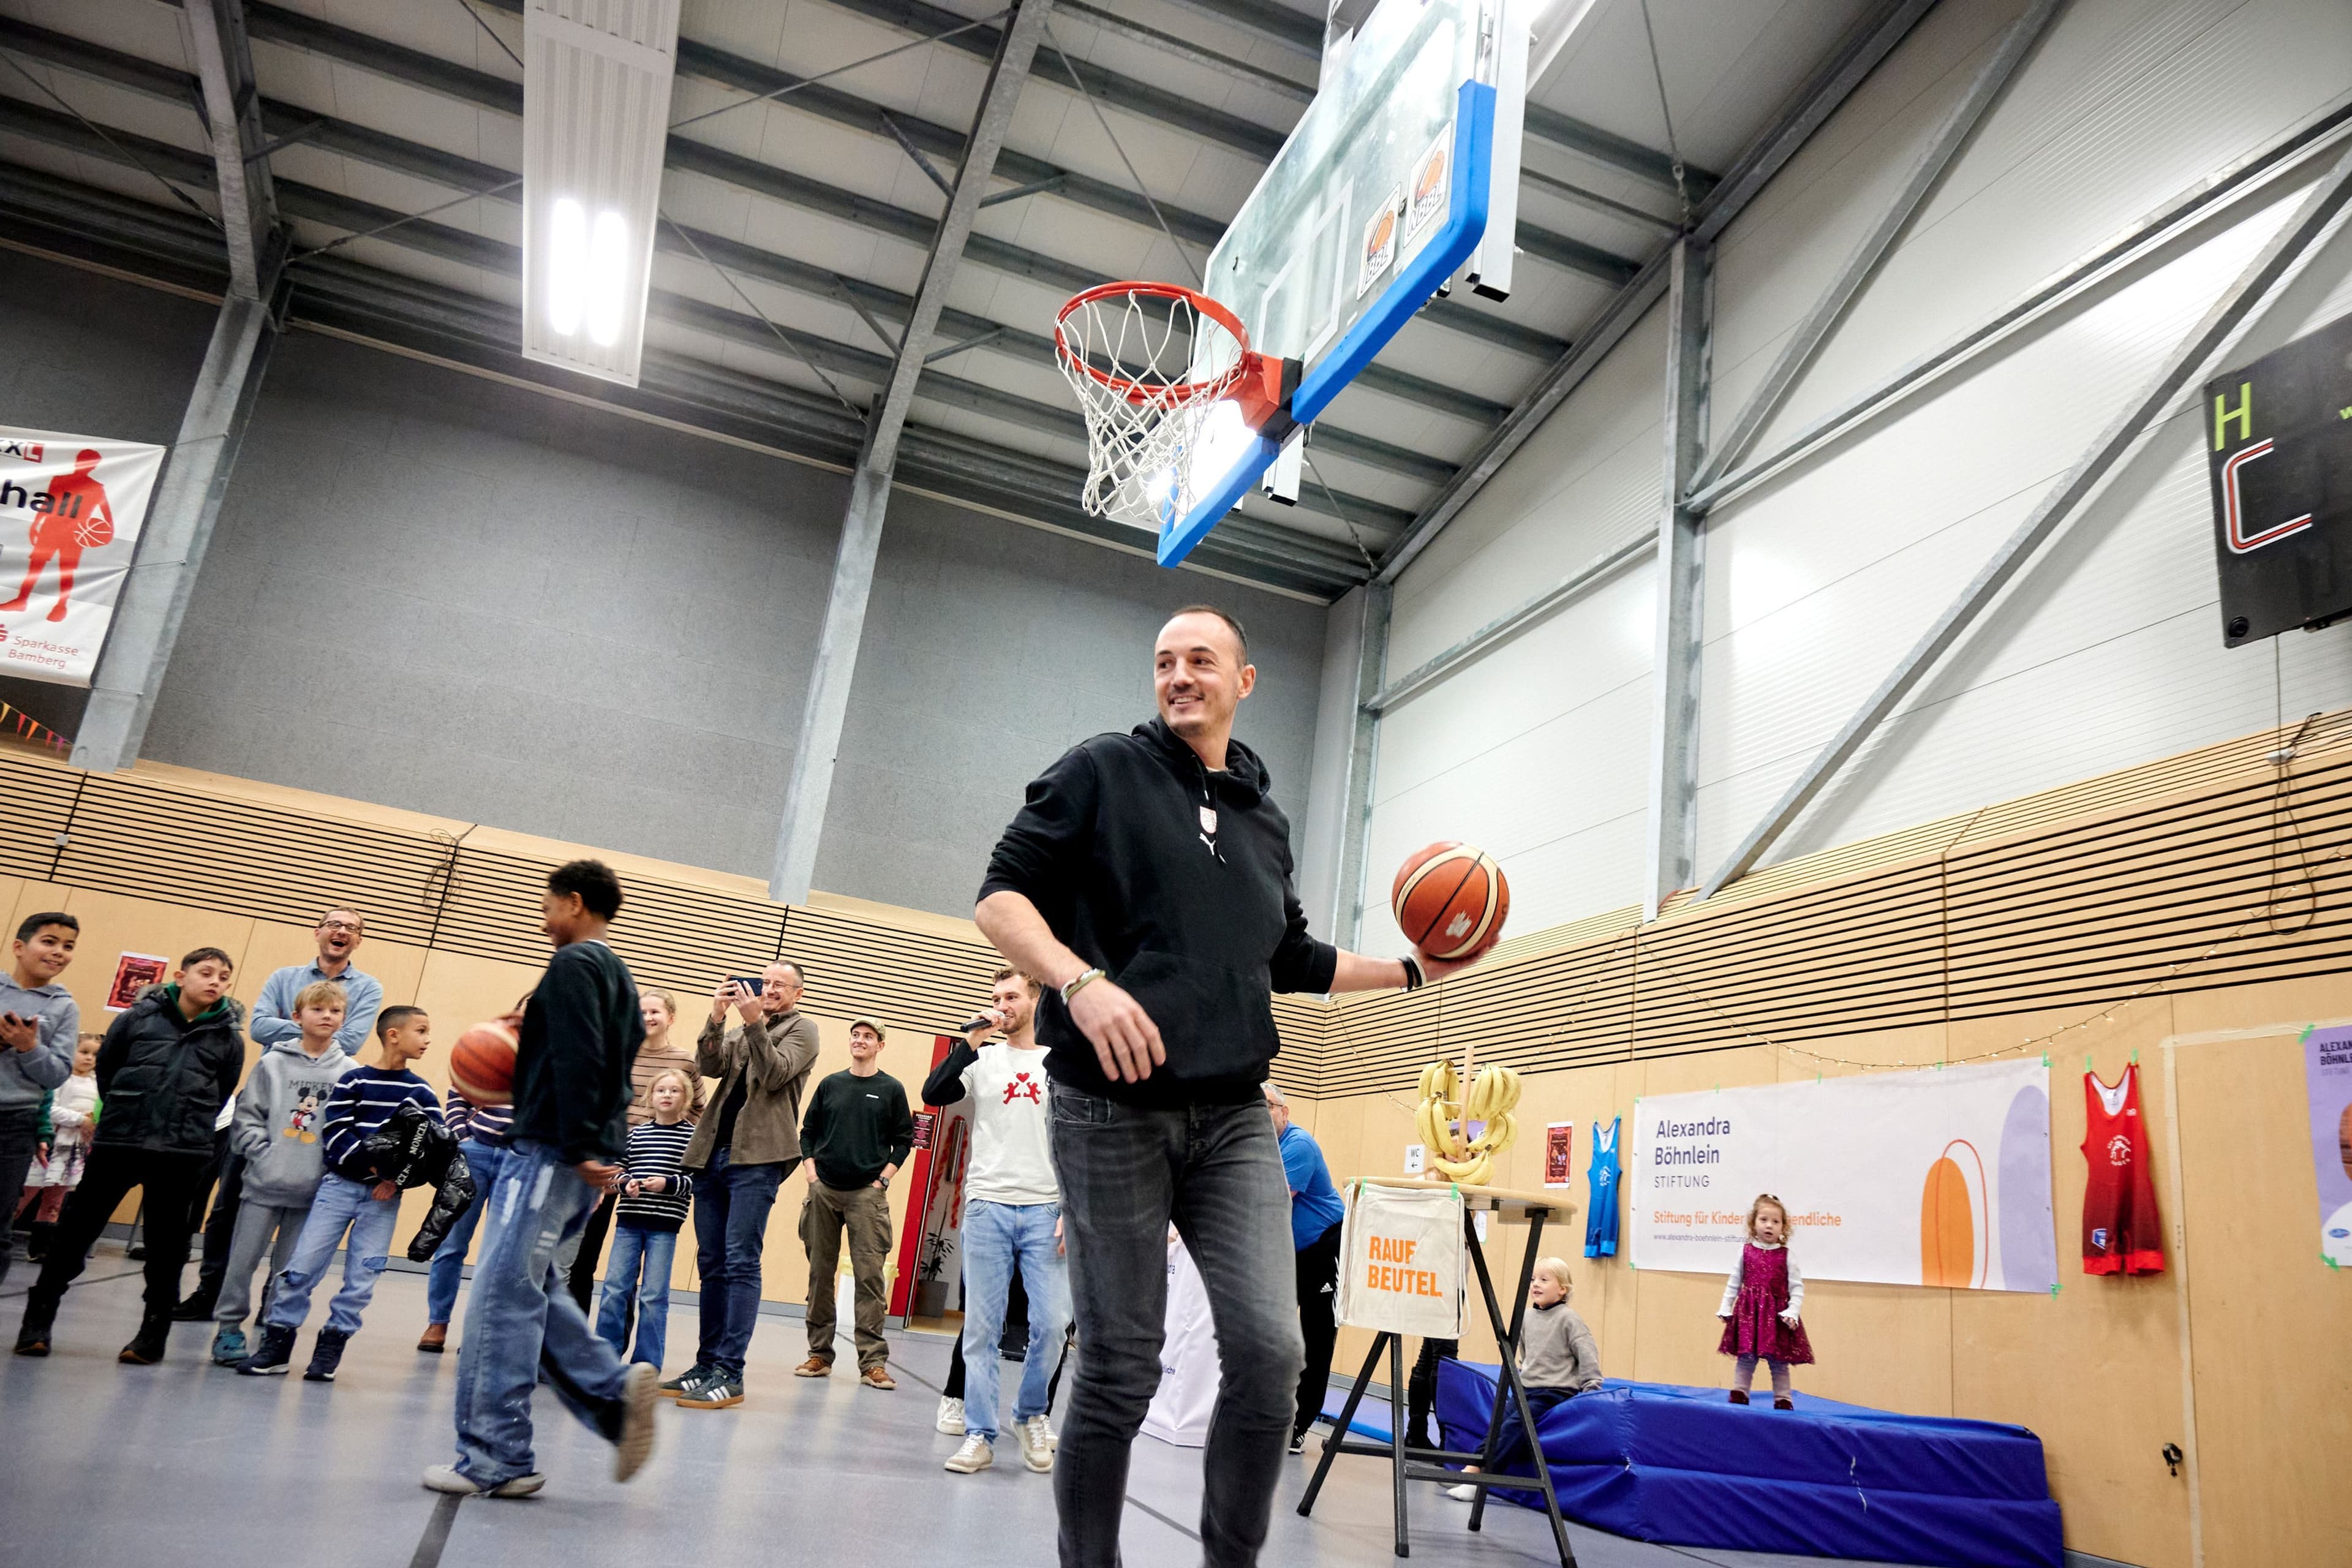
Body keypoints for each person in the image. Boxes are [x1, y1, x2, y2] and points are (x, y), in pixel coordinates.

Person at [975, 605, 1487, 1567]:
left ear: (1243, 681)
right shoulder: (1100, 771)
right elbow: (1000, 898)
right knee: (1121, 1366)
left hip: (1234, 1118)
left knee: (1271, 1354)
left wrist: (1414, 971)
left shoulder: (1263, 819)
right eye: (1165, 661)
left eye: (1201, 660)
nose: (1180, 675)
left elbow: (1290, 957)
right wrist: (1078, 983)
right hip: (1109, 1110)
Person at [427, 858, 657, 1498]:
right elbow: (610, 1065)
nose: (543, 918)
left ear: (575, 902)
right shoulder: (619, 975)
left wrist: (579, 1144)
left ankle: (494, 1458)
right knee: (533, 1288)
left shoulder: (575, 964)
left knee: (501, 1298)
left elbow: (581, 1059)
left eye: (548, 906)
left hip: (552, 1152)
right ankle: (614, 1395)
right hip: (574, 1154)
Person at [14, 947, 242, 1363]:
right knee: (74, 1235)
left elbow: (222, 1091)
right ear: (180, 976)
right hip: (120, 1143)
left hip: (180, 1153)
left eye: (224, 977)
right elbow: (108, 1071)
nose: (216, 982)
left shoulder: (228, 1037)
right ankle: (37, 1322)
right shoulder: (136, 1019)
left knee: (166, 1249)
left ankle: (152, 1334)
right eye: (207, 973)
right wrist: (128, 1109)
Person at [178, 909, 380, 1322]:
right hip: (268, 1102)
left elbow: (352, 1040)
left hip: (320, 1107)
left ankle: (275, 1307)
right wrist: (308, 1032)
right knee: (227, 1207)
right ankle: (209, 1293)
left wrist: (299, 1026)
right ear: (318, 932)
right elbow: (258, 1028)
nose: (342, 932)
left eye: (352, 928)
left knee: (300, 1227)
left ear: (359, 941)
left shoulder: (368, 988)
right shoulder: (283, 977)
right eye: (334, 925)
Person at [239, 1005, 437, 1381]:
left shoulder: (421, 1092)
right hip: (338, 1190)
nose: (428, 1040)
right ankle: (277, 1347)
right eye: (422, 1031)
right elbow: (336, 1133)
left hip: (384, 1199)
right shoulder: (353, 1081)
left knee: (363, 1276)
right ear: (393, 1035)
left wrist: (397, 1180)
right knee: (301, 1269)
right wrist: (376, 1167)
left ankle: (331, 1347)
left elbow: (430, 1145)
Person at [925, 968, 1069, 1475]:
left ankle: (1030, 1414)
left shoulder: (1061, 1061)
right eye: (995, 997)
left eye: (1011, 996)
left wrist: (1073, 1207)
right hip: (988, 1205)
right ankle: (979, 1434)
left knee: (1052, 1325)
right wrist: (970, 1040)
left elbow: (1083, 1139)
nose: (1001, 1005)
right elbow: (934, 1093)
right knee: (982, 1330)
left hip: (1047, 1209)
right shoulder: (982, 1059)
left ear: (1036, 1000)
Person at [663, 962, 821, 1411]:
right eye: (764, 983)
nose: (768, 990)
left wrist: (753, 1023)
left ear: (798, 993)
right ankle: (707, 1364)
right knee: (712, 1263)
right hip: (712, 1153)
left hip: (758, 1158)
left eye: (779, 985)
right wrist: (717, 1017)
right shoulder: (739, 1029)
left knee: (740, 1261)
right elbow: (709, 1065)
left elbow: (775, 1075)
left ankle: (730, 1373)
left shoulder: (803, 1030)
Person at [209, 982, 356, 1366]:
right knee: (242, 1262)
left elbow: (348, 1129)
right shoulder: (272, 1063)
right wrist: (263, 1155)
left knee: (290, 1270)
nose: (327, 1017)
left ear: (344, 1019)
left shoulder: (350, 1072)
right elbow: (248, 1117)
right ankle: (228, 1328)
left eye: (335, 1011)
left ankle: (274, 1331)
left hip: (314, 1192)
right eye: (318, 1009)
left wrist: (331, 1169)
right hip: (264, 1184)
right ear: (297, 1017)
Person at [567, 987, 704, 1314]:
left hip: (653, 1165)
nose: (647, 1018)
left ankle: (618, 1339)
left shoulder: (684, 1061)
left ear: (671, 1018)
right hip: (609, 1161)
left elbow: (699, 1111)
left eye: (655, 1012)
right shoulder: (617, 1054)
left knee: (632, 1261)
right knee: (585, 1251)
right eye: (641, 1012)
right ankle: (574, 1332)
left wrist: (668, 1141)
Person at [795, 1020, 911, 1391]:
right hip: (824, 1191)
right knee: (820, 1275)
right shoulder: (831, 1084)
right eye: (856, 1035)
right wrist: (811, 1173)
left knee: (870, 1279)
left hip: (867, 1196)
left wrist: (883, 1181)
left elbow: (904, 1141)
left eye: (868, 1037)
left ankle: (873, 1363)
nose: (860, 1041)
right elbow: (808, 1132)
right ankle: (819, 1355)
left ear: (880, 1045)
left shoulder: (891, 1089)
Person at [1441, 1257, 1601, 1500]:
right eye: (1533, 1279)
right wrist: (1523, 1375)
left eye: (1544, 1280)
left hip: (1554, 1391)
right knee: (1497, 1424)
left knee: (1513, 1428)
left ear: (1562, 1289)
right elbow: (1526, 1354)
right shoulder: (1527, 1317)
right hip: (1527, 1387)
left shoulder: (1569, 1319)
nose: (1535, 1284)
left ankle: (1476, 1476)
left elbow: (1586, 1352)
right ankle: (1470, 1470)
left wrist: (1591, 1386)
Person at [594, 1067, 696, 1369]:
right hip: (629, 1222)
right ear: (650, 1097)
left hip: (664, 1227)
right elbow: (617, 1171)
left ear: (686, 1098)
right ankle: (604, 1358)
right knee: (615, 1290)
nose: (667, 1095)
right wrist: (626, 1184)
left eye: (675, 1090)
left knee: (654, 1296)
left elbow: (696, 1180)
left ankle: (647, 1364)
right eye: (661, 1090)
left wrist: (668, 1184)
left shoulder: (692, 1137)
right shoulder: (638, 1133)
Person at [1265, 1082, 1345, 1454]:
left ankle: (1300, 1424)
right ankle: (1270, 1413)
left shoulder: (1299, 1144)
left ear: (1284, 1111)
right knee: (1273, 1333)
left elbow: (1273, 1199)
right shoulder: (1259, 1146)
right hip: (1288, 1251)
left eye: (1268, 1106)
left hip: (1323, 1247)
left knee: (1316, 1336)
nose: (1261, 1113)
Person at [0, 911, 78, 1288]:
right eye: (49, 941)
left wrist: (28, 1047)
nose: (59, 951)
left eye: (68, 946)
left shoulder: (64, 1007)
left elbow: (57, 1074)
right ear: (19, 947)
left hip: (15, 1124)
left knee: (0, 1222)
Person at [418, 1078, 515, 1353]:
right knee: (452, 1243)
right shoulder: (486, 1049)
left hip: (517, 1159)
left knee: (500, 1252)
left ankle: (479, 1331)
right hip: (474, 1154)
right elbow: (459, 1090)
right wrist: (462, 1137)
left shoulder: (549, 1056)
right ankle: (437, 1323)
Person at [1717, 1193, 1812, 1409]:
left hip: (1776, 1317)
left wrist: (1793, 1311)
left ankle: (1783, 1398)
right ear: (1754, 1223)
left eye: (1776, 1222)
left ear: (1783, 1227)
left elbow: (1797, 1287)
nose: (1769, 1225)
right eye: (1764, 1220)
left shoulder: (1786, 1255)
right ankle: (1740, 1393)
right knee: (1746, 1357)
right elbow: (1734, 1282)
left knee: (1779, 1361)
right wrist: (1725, 1307)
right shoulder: (1745, 1252)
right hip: (1749, 1315)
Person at [0, 448, 113, 620]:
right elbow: (48, 503)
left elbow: (107, 516)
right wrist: (36, 524)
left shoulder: (96, 488)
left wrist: (105, 535)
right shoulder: (59, 480)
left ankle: (61, 606)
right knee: (36, 566)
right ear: (77, 462)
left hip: (74, 534)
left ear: (94, 467)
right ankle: (22, 600)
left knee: (65, 571)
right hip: (52, 528)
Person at [15, 1033, 100, 1262]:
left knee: (54, 1203)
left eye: (95, 1055)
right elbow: (50, 1110)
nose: (89, 1058)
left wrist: (92, 1123)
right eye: (84, 1052)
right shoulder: (60, 1079)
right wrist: (80, 1120)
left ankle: (40, 1249)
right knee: (23, 1197)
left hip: (71, 1151)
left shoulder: (96, 1084)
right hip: (49, 1146)